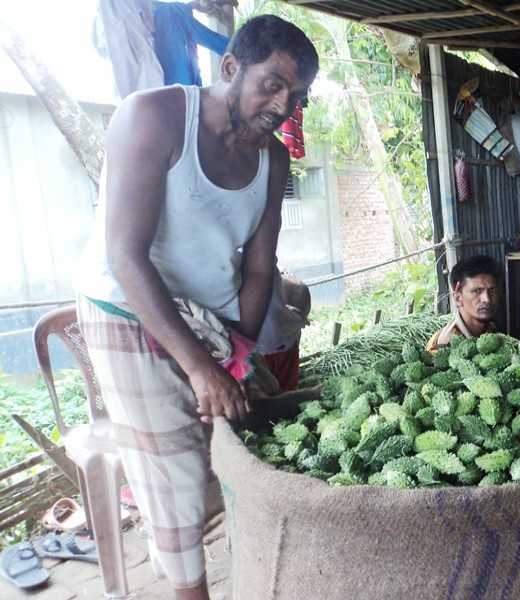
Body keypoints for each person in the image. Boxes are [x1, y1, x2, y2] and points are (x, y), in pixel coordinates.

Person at [74, 15, 318, 599]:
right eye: (272, 84)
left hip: (215, 313)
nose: (282, 105)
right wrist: (199, 368)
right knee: (178, 475)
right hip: (127, 306)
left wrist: (235, 356)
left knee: (262, 436)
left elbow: (260, 269)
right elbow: (126, 256)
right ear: (230, 67)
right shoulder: (154, 116)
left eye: (297, 96)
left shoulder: (273, 160)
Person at [426, 255, 501, 352]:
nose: (487, 299)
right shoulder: (444, 347)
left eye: (492, 290)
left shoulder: (490, 328)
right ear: (458, 299)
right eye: (477, 291)